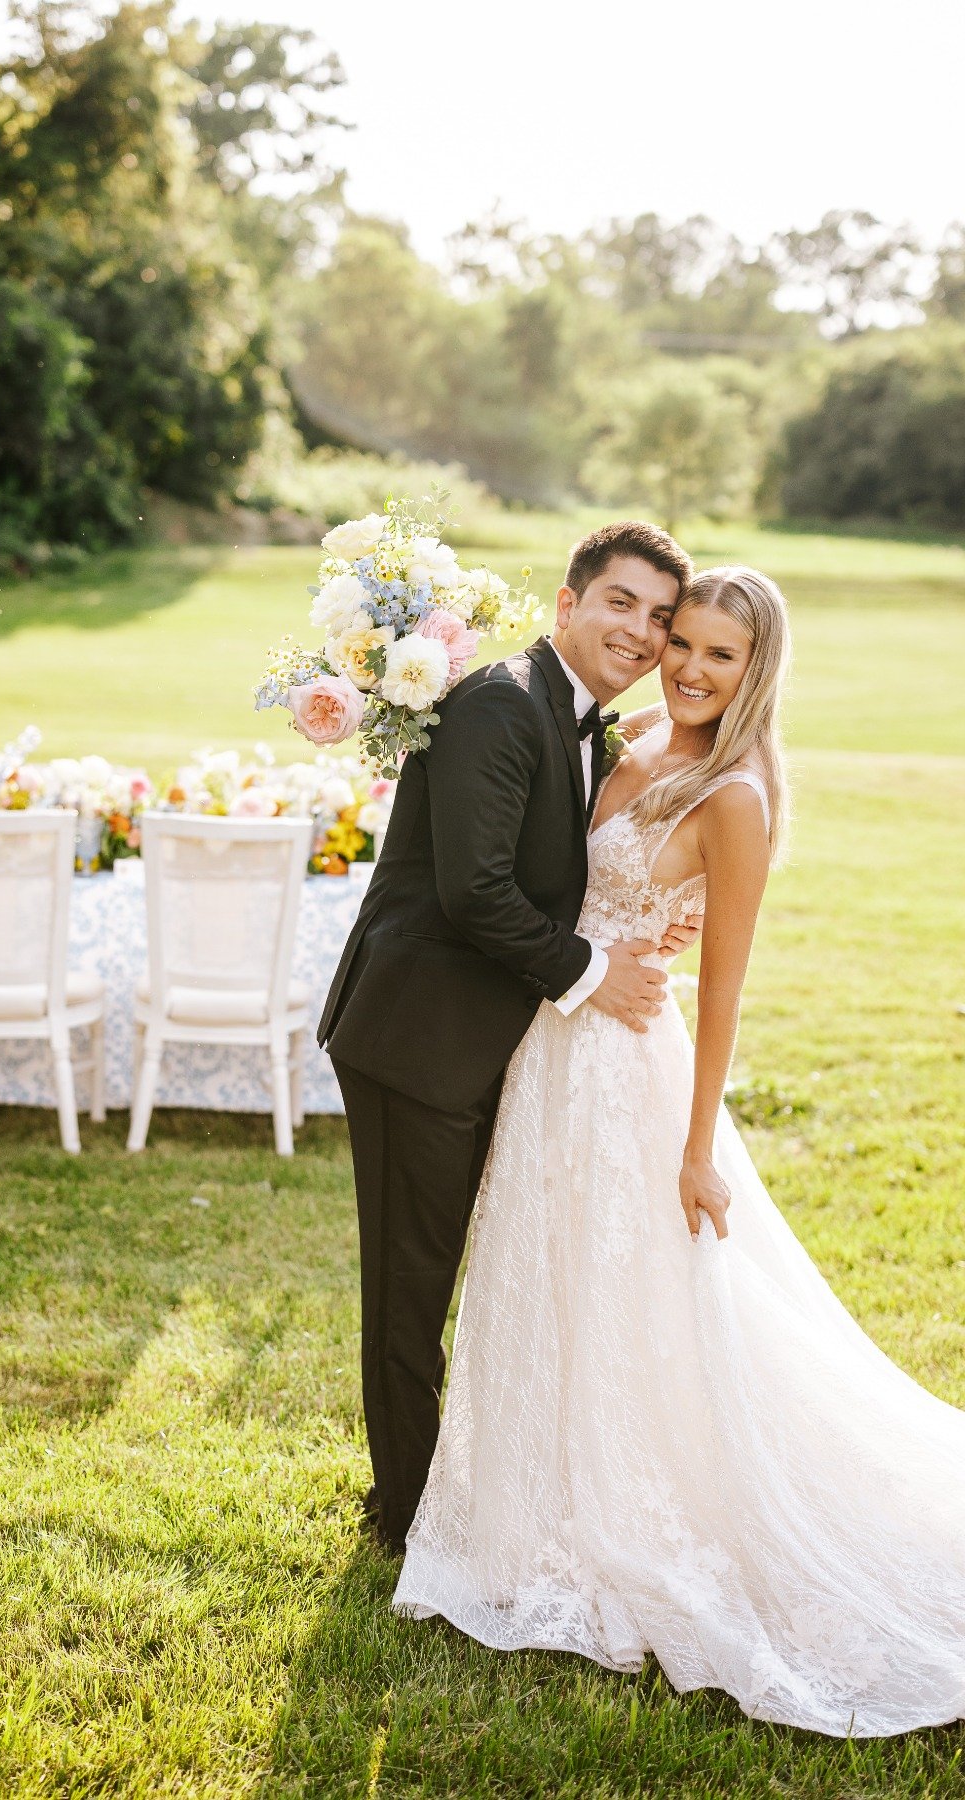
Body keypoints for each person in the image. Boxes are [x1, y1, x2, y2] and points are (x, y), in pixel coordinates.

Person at [393, 566, 965, 1738]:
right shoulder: (635, 734)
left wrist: (700, 1144)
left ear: (760, 672)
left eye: (721, 657)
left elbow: (724, 996)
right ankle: (523, 1510)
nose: (693, 670)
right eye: (683, 642)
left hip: (630, 1079)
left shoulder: (736, 795)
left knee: (630, 1299)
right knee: (545, 1282)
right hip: (549, 1054)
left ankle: (634, 1517)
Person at [318, 520, 697, 1556]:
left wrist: (642, 918)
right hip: (417, 1036)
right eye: (620, 602)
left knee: (468, 1272)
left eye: (661, 617)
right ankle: (405, 1515)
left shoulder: (579, 721)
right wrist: (592, 973)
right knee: (411, 1282)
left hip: (485, 1035)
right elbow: (474, 890)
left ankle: (453, 1486)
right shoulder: (499, 703)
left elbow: (547, 872)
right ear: (567, 604)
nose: (641, 631)